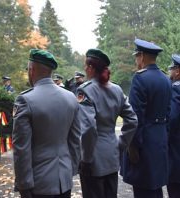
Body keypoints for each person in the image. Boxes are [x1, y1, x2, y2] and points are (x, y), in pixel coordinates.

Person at [12, 49, 81, 198]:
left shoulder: (25, 100)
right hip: (64, 180)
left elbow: (21, 148)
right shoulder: (70, 98)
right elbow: (75, 140)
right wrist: (70, 170)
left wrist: (23, 185)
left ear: (32, 70)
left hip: (38, 184)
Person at [77, 48, 138, 198]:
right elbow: (132, 120)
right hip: (111, 155)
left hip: (93, 160)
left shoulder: (85, 91)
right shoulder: (117, 90)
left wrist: (85, 158)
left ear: (91, 68)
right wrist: (121, 144)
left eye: (86, 66)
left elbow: (89, 128)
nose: (84, 69)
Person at [121, 39, 172, 198]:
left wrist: (133, 146)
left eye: (136, 56)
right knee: (155, 188)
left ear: (141, 56)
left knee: (143, 190)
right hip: (160, 140)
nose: (136, 61)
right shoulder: (165, 79)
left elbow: (136, 117)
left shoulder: (140, 78)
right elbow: (168, 113)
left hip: (144, 143)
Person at [167, 54, 180, 198]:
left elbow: (173, 118)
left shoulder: (176, 88)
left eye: (172, 69)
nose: (170, 73)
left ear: (177, 71)